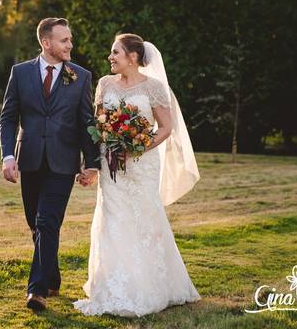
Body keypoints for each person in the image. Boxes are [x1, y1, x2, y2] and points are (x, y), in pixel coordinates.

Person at [73, 33, 201, 317]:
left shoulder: (154, 87)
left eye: (115, 52)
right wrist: (90, 162)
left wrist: (138, 147)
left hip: (141, 165)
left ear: (133, 57)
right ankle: (111, 285)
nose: (110, 57)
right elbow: (95, 125)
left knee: (144, 219)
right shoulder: (105, 84)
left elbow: (166, 128)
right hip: (110, 164)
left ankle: (150, 284)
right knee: (112, 219)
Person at [0, 17, 101, 311]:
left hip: (63, 162)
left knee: (47, 222)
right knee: (36, 224)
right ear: (47, 43)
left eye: (70, 39)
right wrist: (8, 156)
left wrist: (91, 163)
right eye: (64, 40)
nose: (70, 45)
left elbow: (86, 122)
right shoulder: (20, 73)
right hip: (28, 159)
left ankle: (37, 290)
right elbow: (8, 118)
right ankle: (52, 275)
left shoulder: (80, 76)